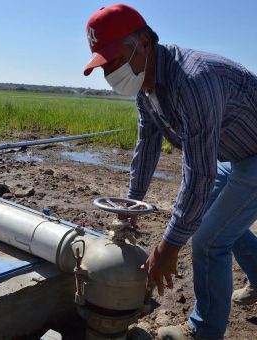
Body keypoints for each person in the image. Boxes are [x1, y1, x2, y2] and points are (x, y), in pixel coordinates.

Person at [84, 4, 257, 340]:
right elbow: (146, 149)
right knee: (217, 219)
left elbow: (200, 175)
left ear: (144, 43)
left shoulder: (193, 81)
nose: (110, 74)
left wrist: (168, 247)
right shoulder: (145, 89)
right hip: (234, 151)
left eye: (115, 60)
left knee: (208, 240)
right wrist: (128, 207)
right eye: (104, 66)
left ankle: (203, 331)